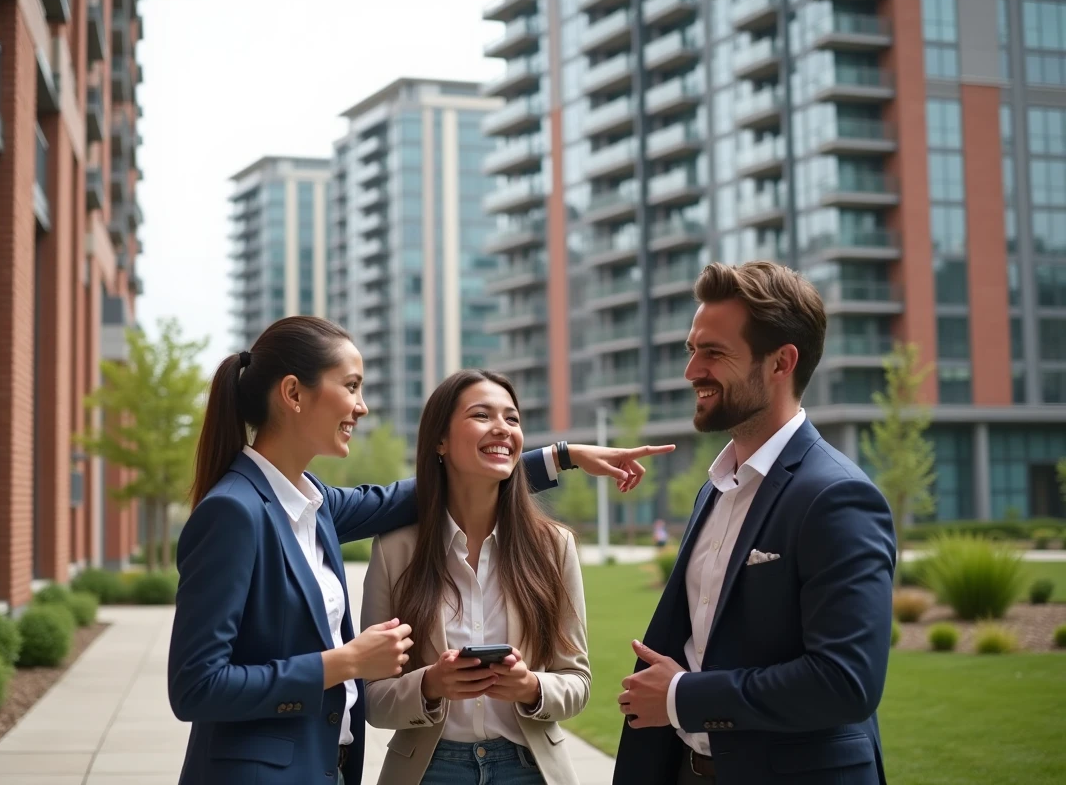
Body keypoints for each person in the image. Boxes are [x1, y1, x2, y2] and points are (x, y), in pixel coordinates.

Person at [166, 316, 666, 785]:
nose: (361, 407)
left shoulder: (314, 506)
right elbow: (196, 686)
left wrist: (563, 456)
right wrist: (346, 663)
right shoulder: (233, 511)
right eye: (352, 386)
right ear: (294, 393)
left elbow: (440, 483)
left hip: (324, 767)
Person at [614, 262, 896, 785]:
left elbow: (846, 682)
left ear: (781, 363)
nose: (692, 370)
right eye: (691, 350)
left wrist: (682, 698)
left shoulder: (837, 496)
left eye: (714, 352)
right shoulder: (714, 488)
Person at [362, 369, 674, 785]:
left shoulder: (554, 546)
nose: (503, 429)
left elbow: (577, 680)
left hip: (529, 770)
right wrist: (430, 684)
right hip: (427, 771)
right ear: (440, 440)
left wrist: (530, 688)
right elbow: (373, 699)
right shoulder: (394, 551)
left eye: (512, 419)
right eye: (482, 415)